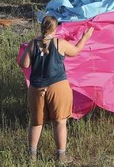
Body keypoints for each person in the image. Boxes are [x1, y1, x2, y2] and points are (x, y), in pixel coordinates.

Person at [18, 16, 94, 163]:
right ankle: (61, 156)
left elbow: (24, 64)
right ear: (55, 28)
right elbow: (76, 50)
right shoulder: (59, 43)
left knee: (36, 123)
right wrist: (85, 37)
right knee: (59, 121)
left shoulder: (33, 44)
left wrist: (31, 50)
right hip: (57, 87)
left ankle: (31, 157)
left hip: (36, 89)